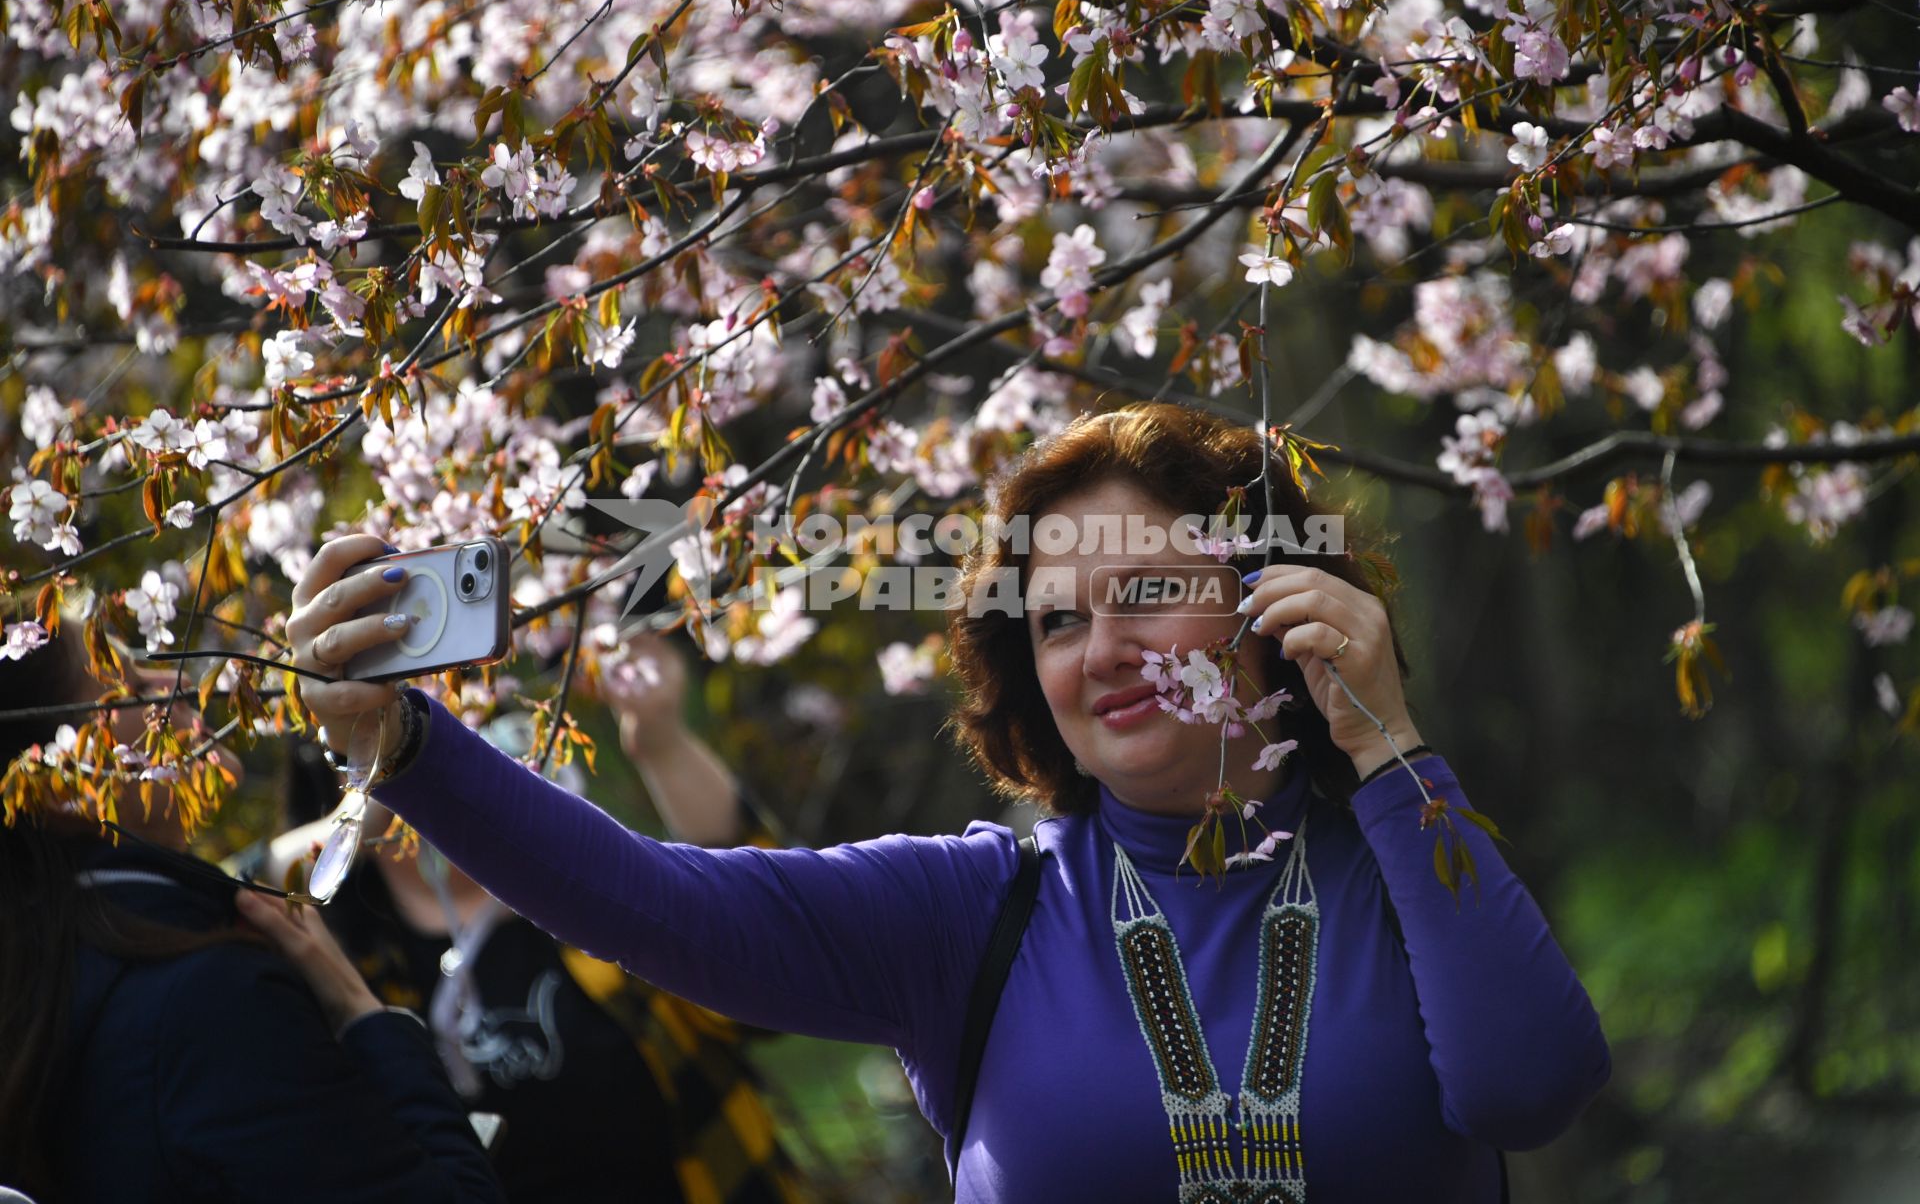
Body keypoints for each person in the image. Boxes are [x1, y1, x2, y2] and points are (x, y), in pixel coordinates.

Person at [280, 401, 1612, 1202]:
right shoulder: (978, 908)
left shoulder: (1402, 856)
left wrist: (1387, 745)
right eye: (1057, 623)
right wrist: (412, 748)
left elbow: (1528, 1088)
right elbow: (654, 901)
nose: (1102, 651)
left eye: (1149, 592)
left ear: (1278, 609)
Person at [239, 630, 817, 1203]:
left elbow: (767, 961)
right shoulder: (351, 960)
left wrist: (661, 741)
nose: (453, 777)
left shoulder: (589, 893)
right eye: (428, 740)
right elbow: (233, 894)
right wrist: (377, 791)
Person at [0, 622, 505, 1204]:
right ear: (58, 779)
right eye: (133, 683)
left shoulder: (58, 981)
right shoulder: (206, 1002)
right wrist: (362, 1011)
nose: (176, 683)